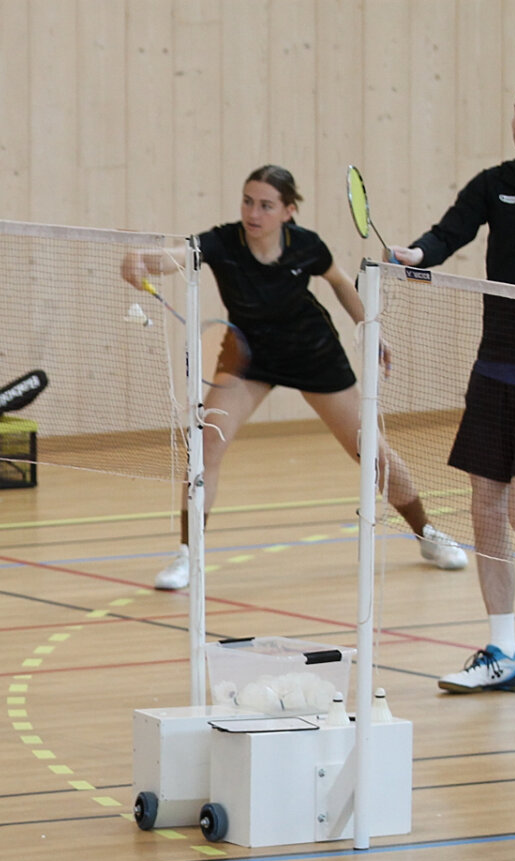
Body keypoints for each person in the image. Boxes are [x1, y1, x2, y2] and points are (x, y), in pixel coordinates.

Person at [122, 166, 469, 591]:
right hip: (249, 355)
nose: (253, 213)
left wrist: (370, 328)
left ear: (288, 211)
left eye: (266, 205)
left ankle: (426, 533)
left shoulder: (306, 246)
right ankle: (187, 555)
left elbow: (339, 283)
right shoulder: (222, 241)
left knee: (370, 450)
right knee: (206, 442)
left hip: (312, 352)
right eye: (248, 202)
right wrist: (140, 260)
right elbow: (175, 257)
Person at [393, 76, 515, 694]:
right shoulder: (495, 184)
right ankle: (503, 651)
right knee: (486, 510)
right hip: (496, 364)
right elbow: (447, 233)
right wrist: (418, 255)